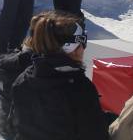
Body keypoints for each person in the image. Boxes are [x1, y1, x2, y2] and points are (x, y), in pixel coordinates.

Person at [9, 10, 109, 140]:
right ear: (74, 47)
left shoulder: (23, 80)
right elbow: (94, 133)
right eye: (82, 42)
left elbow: (12, 126)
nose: (83, 48)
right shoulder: (79, 87)